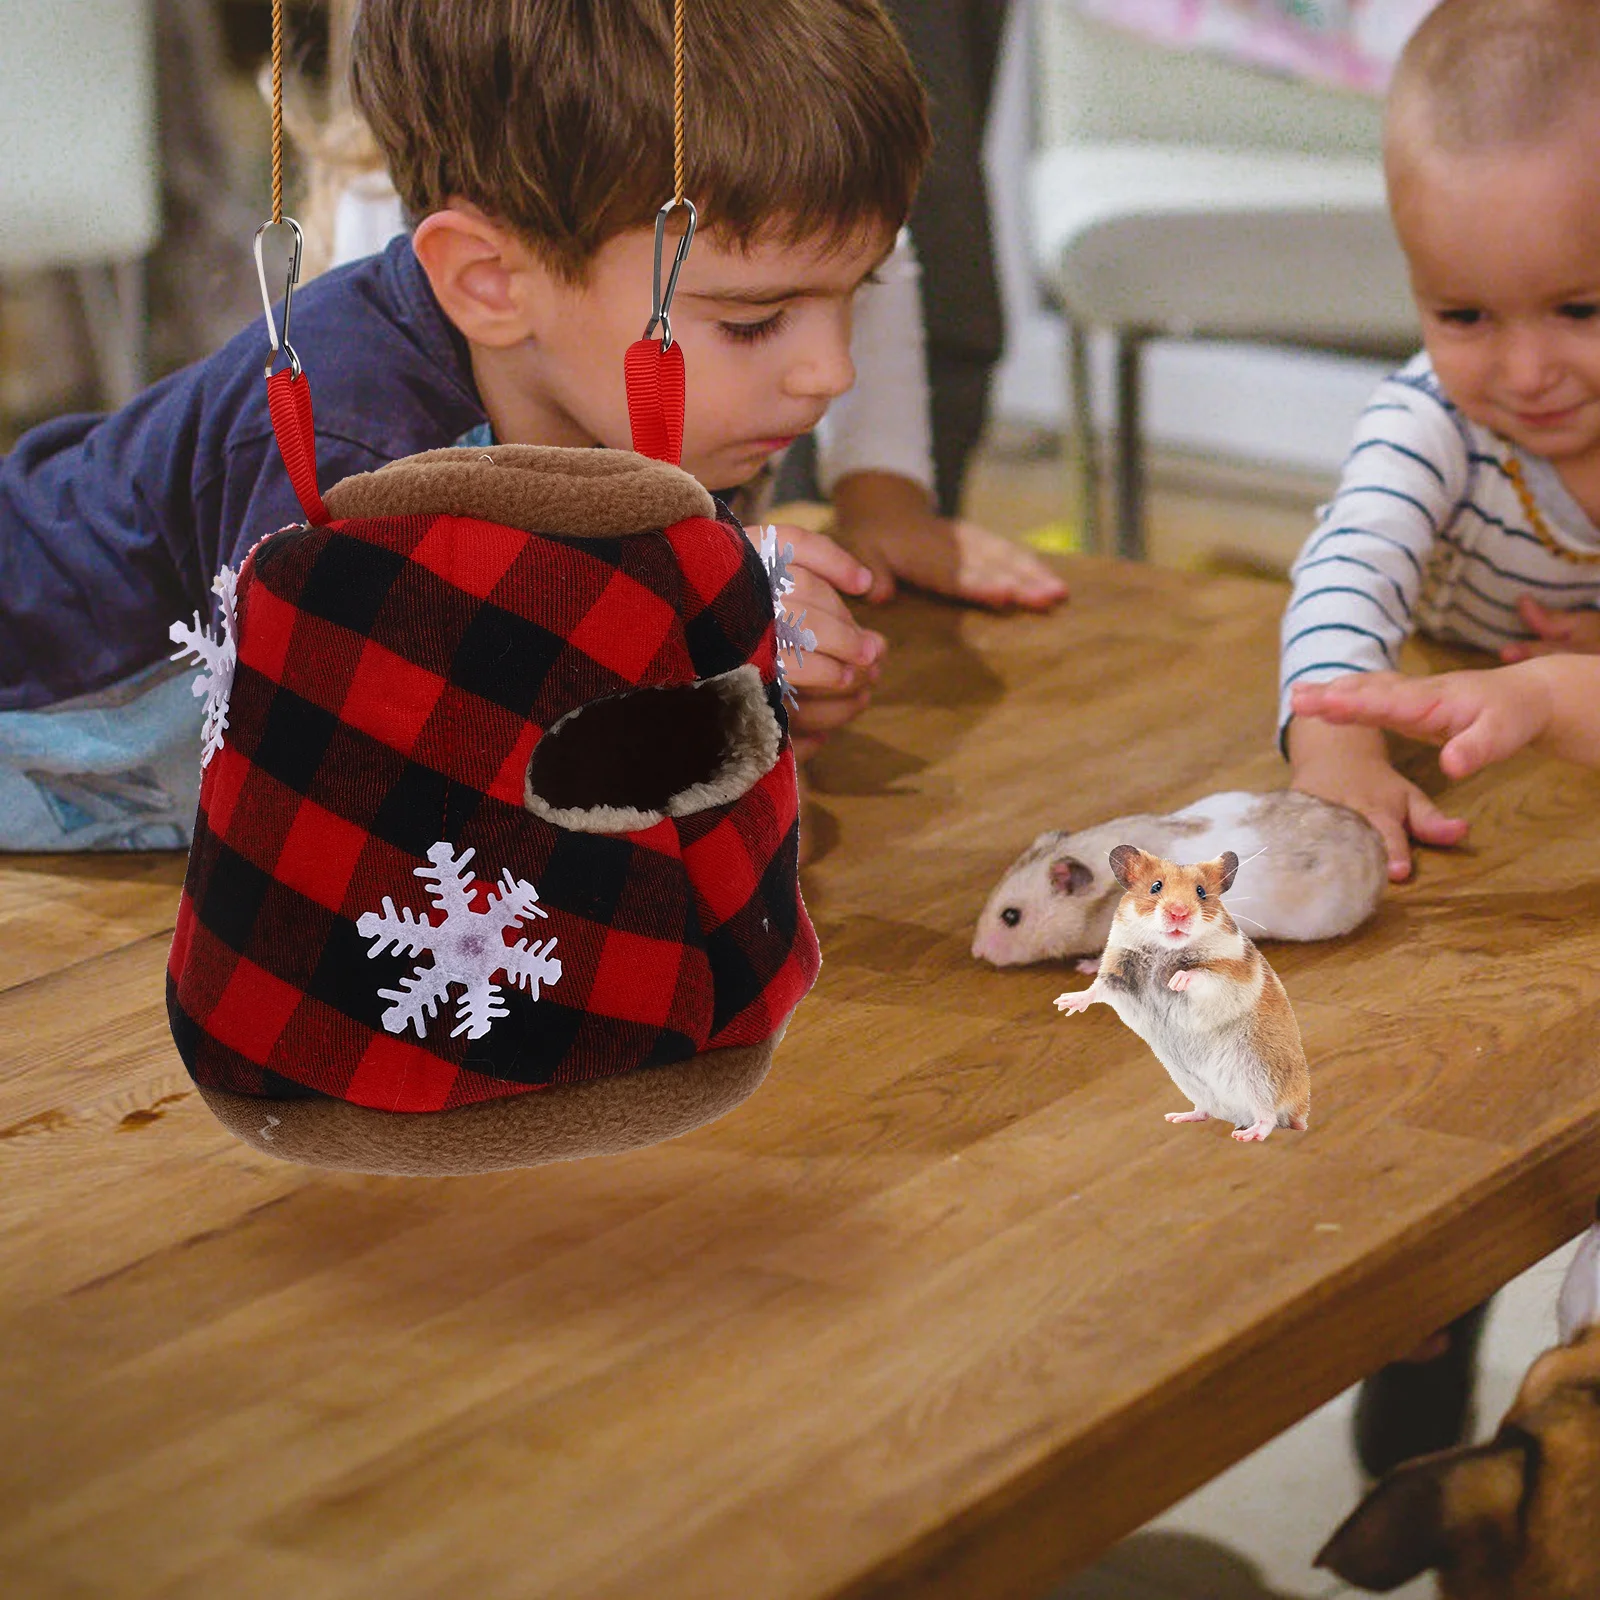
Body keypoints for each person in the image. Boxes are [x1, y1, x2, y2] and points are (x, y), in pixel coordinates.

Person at [0, 0, 930, 848]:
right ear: (489, 283)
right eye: (753, 321)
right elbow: (356, 797)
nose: (831, 372)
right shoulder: (351, 449)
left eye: (859, 290)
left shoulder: (628, 391)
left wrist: (742, 688)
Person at [1279, 0, 1600, 886]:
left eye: (1580, 309)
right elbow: (1350, 570)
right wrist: (1336, 749)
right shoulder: (1429, 422)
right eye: (1464, 315)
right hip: (1465, 740)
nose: (1527, 372)